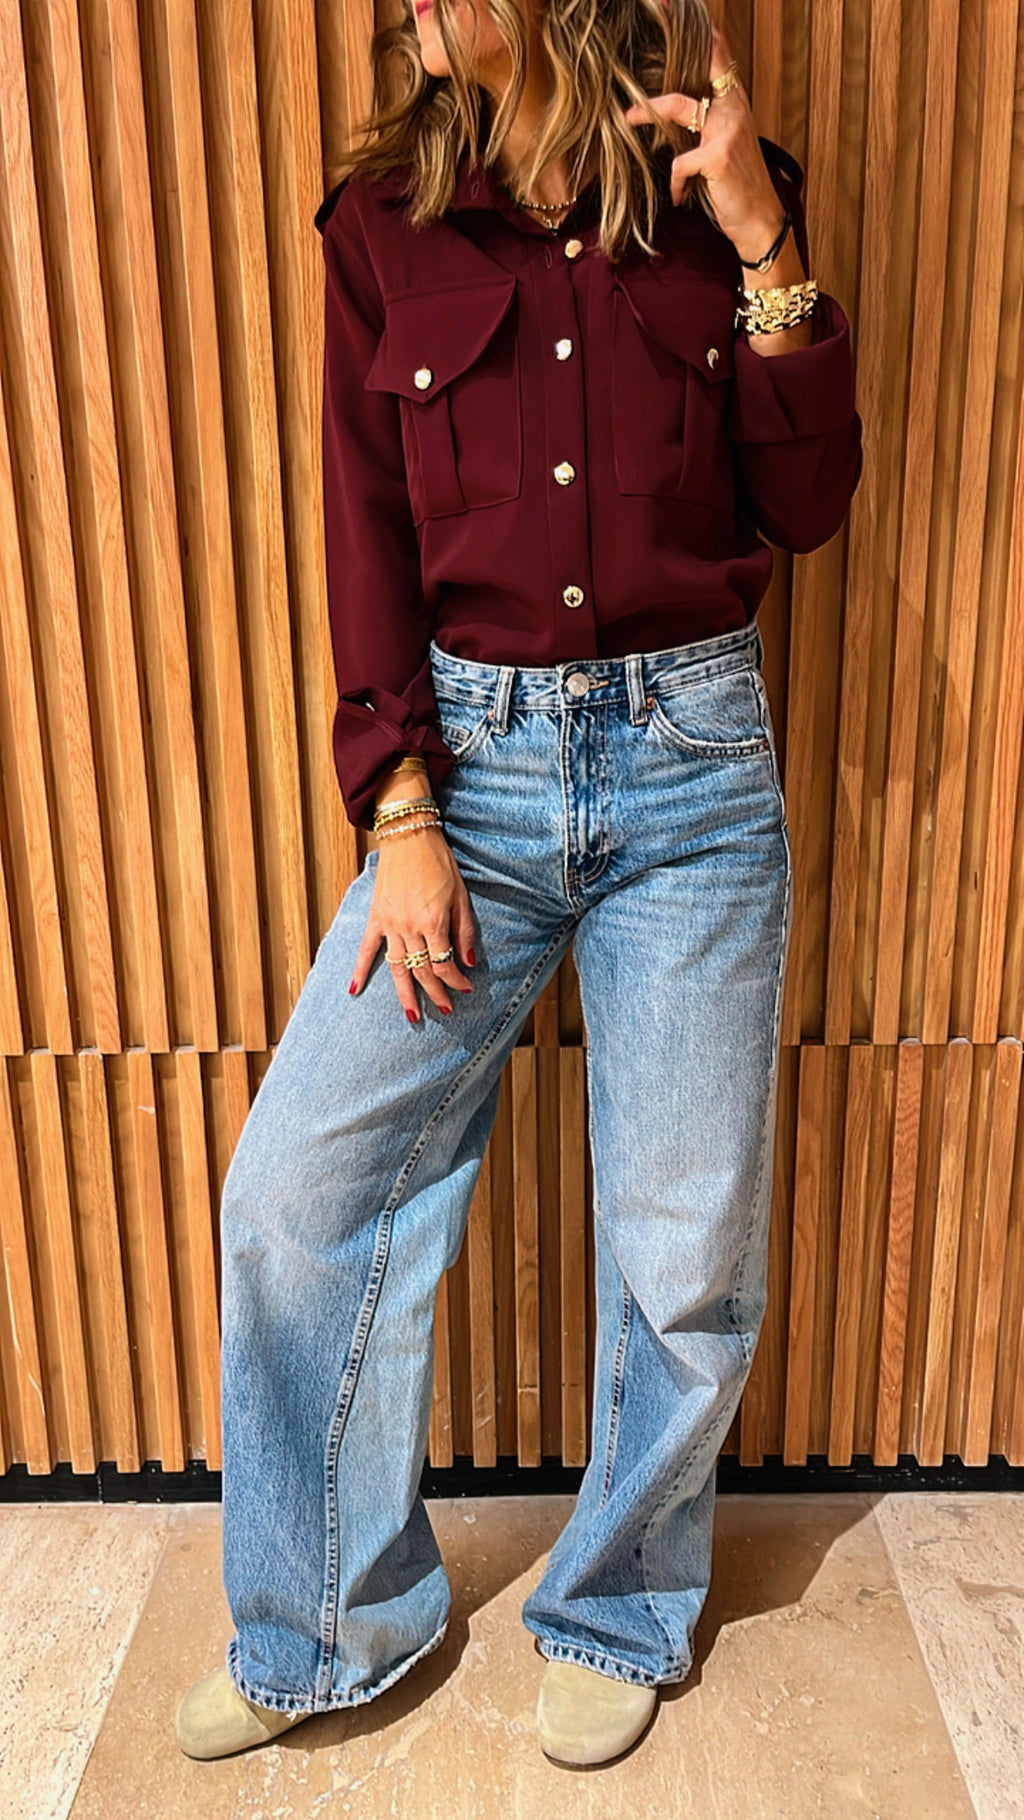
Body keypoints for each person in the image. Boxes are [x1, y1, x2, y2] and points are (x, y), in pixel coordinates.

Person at [174, 0, 862, 1771]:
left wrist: (764, 238)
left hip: (693, 775)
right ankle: (332, 1620)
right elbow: (362, 531)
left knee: (680, 1240)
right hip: (464, 785)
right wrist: (397, 808)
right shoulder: (381, 225)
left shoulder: (713, 190)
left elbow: (812, 496)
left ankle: (621, 1604)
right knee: (300, 1189)